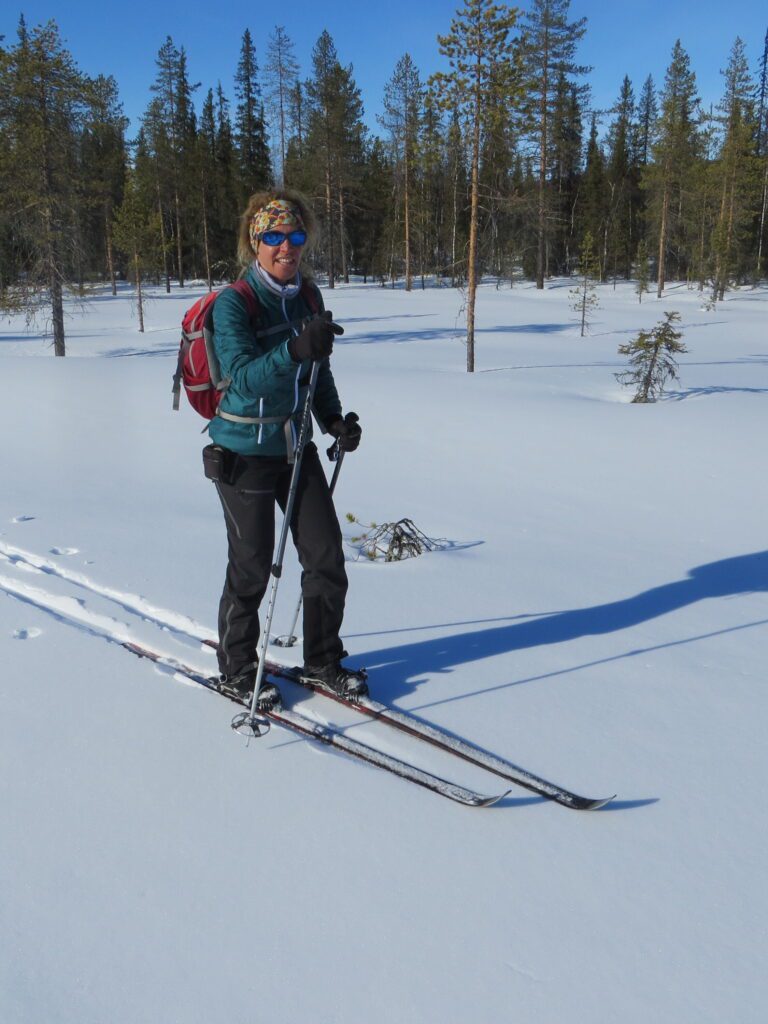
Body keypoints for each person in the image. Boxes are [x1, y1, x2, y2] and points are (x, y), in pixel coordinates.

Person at [207, 188, 365, 706]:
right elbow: (243, 377)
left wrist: (335, 419)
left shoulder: (309, 297)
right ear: (256, 242)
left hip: (296, 446)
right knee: (252, 565)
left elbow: (317, 372)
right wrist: (295, 347)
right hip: (243, 451)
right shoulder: (233, 302)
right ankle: (237, 667)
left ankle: (322, 660)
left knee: (325, 555)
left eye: (295, 236)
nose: (286, 247)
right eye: (273, 236)